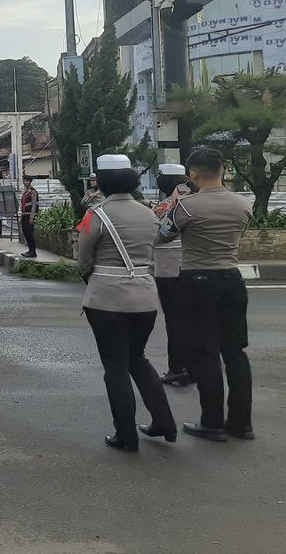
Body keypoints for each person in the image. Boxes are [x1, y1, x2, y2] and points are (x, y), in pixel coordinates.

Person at [76, 154, 176, 452]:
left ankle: (126, 435)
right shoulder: (150, 214)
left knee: (115, 367)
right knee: (138, 359)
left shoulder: (96, 215)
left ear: (102, 182)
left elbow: (83, 260)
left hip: (106, 300)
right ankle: (165, 424)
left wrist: (92, 280)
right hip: (145, 298)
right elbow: (155, 246)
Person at [158, 146, 255, 442]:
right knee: (235, 352)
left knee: (205, 352)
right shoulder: (243, 204)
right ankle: (241, 424)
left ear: (193, 174)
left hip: (197, 280)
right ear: (223, 170)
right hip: (232, 278)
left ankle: (211, 422)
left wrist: (173, 206)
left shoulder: (187, 207)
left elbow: (163, 235)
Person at [152, 164, 191, 387]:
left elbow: (159, 234)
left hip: (169, 270)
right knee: (190, 321)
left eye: (159, 177)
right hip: (190, 268)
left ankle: (178, 369)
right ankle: (192, 367)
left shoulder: (173, 203)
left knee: (175, 322)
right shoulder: (192, 198)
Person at [19, 174, 39, 258]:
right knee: (25, 231)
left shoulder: (33, 192)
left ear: (30, 181)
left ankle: (32, 251)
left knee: (29, 232)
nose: (24, 182)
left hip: (29, 215)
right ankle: (30, 250)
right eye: (24, 181)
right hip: (24, 214)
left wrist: (32, 216)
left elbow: (34, 204)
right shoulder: (25, 192)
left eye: (26, 181)